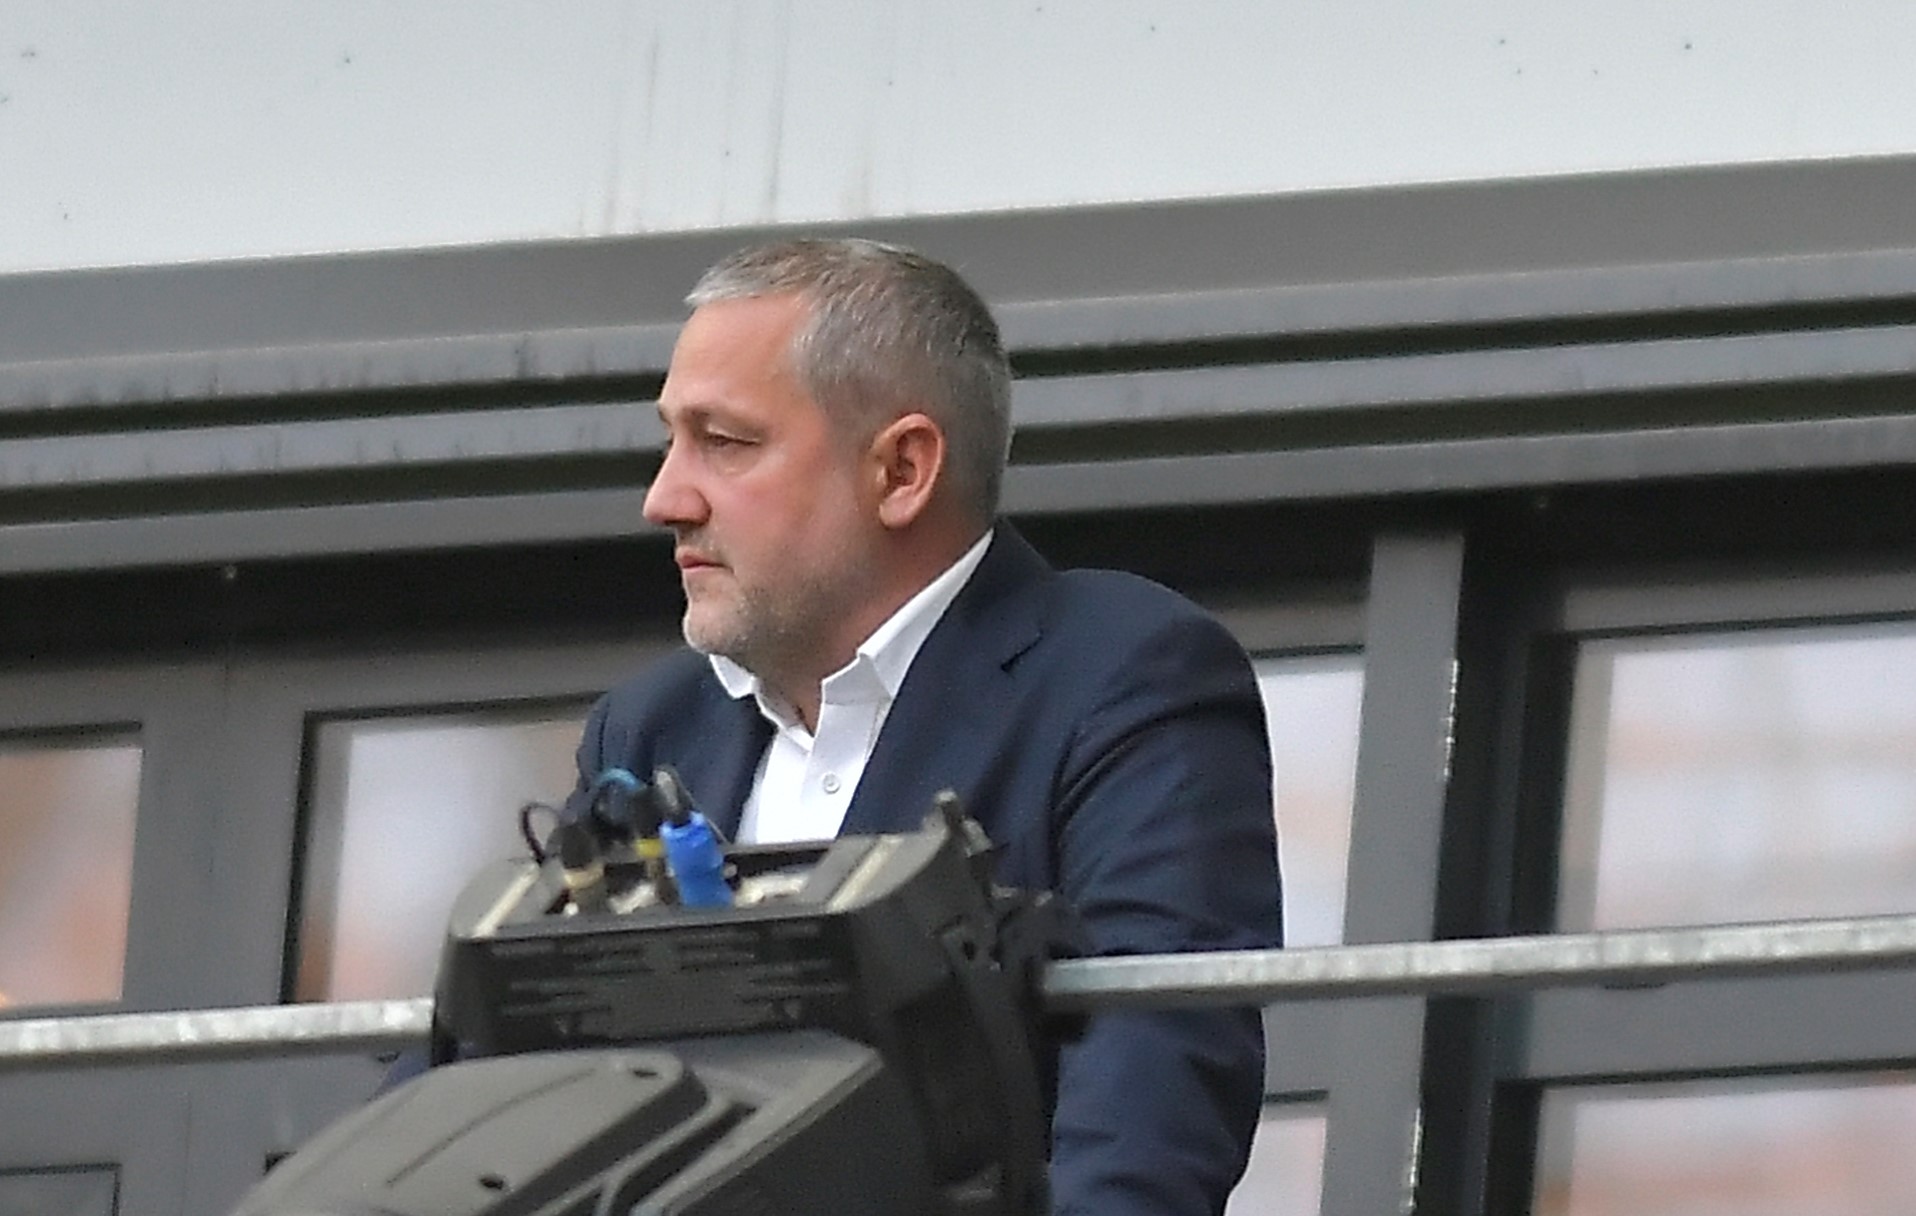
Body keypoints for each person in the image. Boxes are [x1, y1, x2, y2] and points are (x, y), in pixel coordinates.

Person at [570, 238, 1283, 1215]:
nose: (665, 499)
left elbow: (1150, 1097)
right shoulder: (646, 732)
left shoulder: (1121, 675)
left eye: (724, 442)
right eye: (670, 442)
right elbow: (492, 1073)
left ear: (901, 470)